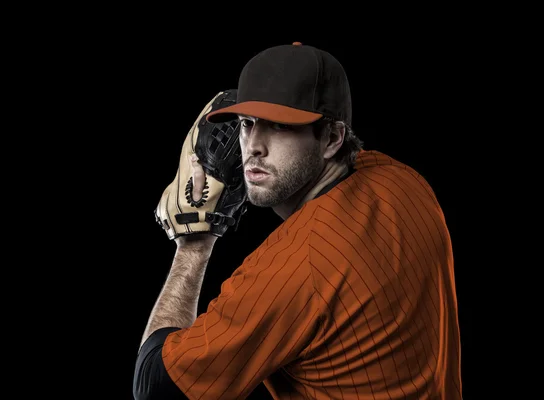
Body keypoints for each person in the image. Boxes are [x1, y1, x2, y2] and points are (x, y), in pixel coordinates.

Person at [133, 42, 462, 399]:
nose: (253, 147)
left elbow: (154, 387)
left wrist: (194, 246)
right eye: (247, 124)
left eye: (279, 125)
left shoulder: (297, 263)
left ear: (332, 138)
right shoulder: (405, 181)